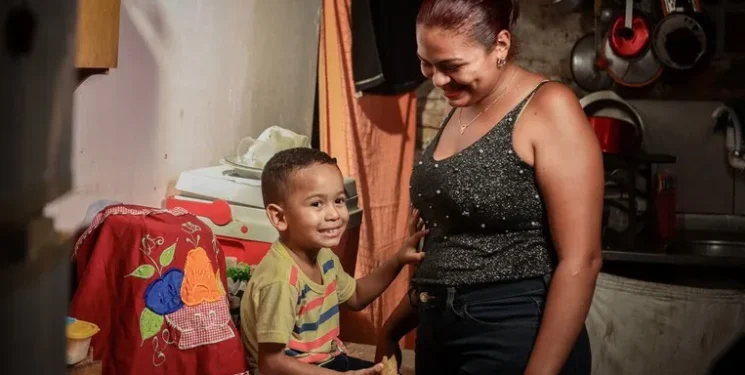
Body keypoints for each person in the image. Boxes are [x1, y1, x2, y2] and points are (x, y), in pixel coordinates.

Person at [374, 0, 604, 374]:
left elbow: (582, 261)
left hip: (514, 329)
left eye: (452, 66)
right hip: (436, 329)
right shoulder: (461, 106)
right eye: (426, 63)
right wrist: (392, 329)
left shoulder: (549, 107)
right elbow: (449, 248)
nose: (437, 80)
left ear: (500, 45)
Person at [240, 147, 428, 375]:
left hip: (327, 364)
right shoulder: (281, 280)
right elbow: (271, 364)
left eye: (339, 200)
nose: (334, 214)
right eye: (317, 204)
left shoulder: (323, 256)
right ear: (279, 217)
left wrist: (398, 259)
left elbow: (357, 296)